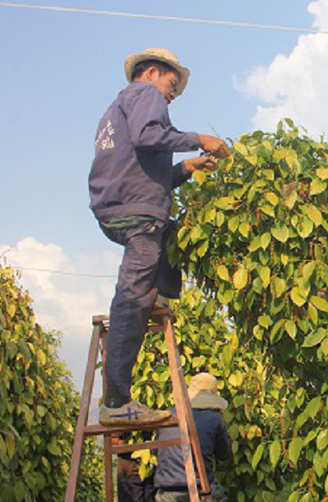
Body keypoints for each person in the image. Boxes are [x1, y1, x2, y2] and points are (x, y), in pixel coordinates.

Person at [89, 47, 230, 426]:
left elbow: (145, 173)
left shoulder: (116, 110)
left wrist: (186, 167)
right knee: (131, 297)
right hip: (136, 213)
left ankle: (155, 296)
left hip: (122, 204)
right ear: (152, 72)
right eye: (172, 85)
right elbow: (150, 134)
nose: (171, 95)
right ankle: (117, 402)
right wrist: (201, 138)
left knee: (166, 233)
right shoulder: (144, 95)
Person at [153, 373, 232, 502]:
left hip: (168, 489)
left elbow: (155, 451)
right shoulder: (214, 419)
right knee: (218, 500)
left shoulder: (166, 416)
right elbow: (224, 455)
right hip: (199, 487)